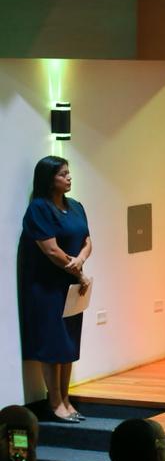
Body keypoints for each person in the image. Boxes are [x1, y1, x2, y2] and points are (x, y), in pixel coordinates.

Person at [18, 155, 92, 422]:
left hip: (71, 284)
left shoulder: (76, 206)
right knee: (53, 344)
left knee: (69, 344)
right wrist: (78, 272)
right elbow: (50, 250)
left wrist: (80, 260)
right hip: (47, 286)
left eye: (68, 172)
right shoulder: (39, 208)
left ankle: (66, 399)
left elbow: (87, 240)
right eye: (63, 174)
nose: (69, 177)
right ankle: (55, 402)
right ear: (49, 180)